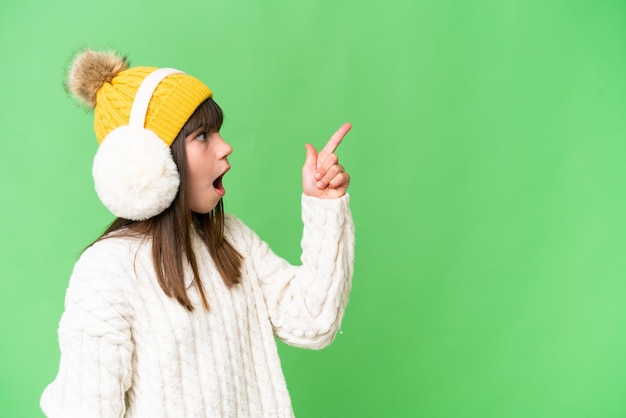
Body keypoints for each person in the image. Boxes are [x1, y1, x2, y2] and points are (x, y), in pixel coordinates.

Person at [40, 49, 355, 418]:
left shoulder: (231, 239)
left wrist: (324, 207)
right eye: (203, 135)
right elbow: (87, 409)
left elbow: (313, 322)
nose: (225, 147)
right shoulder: (107, 271)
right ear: (150, 161)